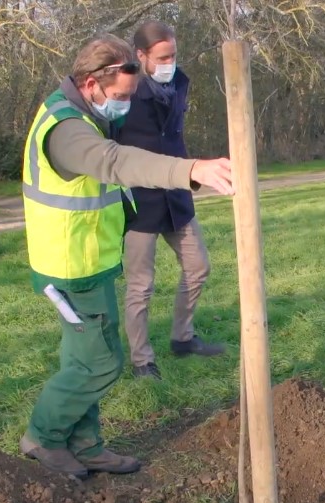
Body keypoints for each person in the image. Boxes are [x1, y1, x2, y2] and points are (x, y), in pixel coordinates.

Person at [19, 34, 234, 479]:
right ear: (92, 83)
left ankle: (87, 445)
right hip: (70, 268)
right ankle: (43, 436)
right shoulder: (67, 130)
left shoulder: (78, 110)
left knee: (83, 360)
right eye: (120, 96)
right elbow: (115, 162)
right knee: (101, 363)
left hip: (88, 262)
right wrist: (190, 170)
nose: (123, 105)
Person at [112, 21, 223, 382]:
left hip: (177, 196)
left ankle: (183, 338)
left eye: (173, 55)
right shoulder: (124, 93)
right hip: (139, 201)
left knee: (198, 266)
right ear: (141, 56)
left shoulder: (178, 85)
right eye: (162, 57)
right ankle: (142, 360)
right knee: (140, 286)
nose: (169, 62)